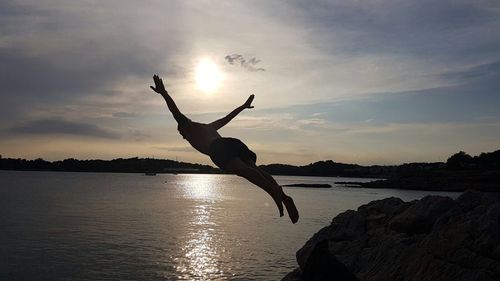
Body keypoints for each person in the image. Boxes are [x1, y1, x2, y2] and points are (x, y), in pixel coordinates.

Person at [150, 74, 299, 223]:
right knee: (256, 170)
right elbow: (228, 118)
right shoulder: (209, 127)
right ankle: (283, 196)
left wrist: (164, 93)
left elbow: (174, 110)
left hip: (218, 149)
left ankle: (275, 194)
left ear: (184, 127)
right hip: (232, 143)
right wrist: (243, 106)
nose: (182, 136)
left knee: (245, 172)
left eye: (181, 133)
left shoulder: (187, 126)